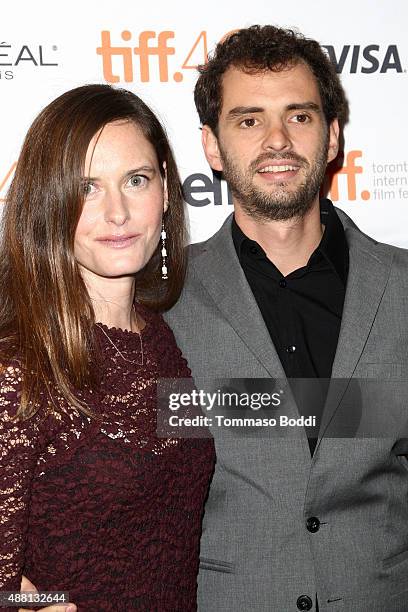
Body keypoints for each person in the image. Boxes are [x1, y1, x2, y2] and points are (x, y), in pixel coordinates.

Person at [164, 25, 408, 611]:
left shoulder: (401, 288)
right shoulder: (161, 299)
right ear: (212, 147)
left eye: (298, 116)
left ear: (331, 137)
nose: (277, 140)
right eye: (249, 120)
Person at [0, 84, 214, 612]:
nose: (116, 212)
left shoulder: (162, 336)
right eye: (87, 187)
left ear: (165, 190)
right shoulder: (19, 365)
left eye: (135, 180)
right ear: (49, 200)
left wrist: (374, 406)